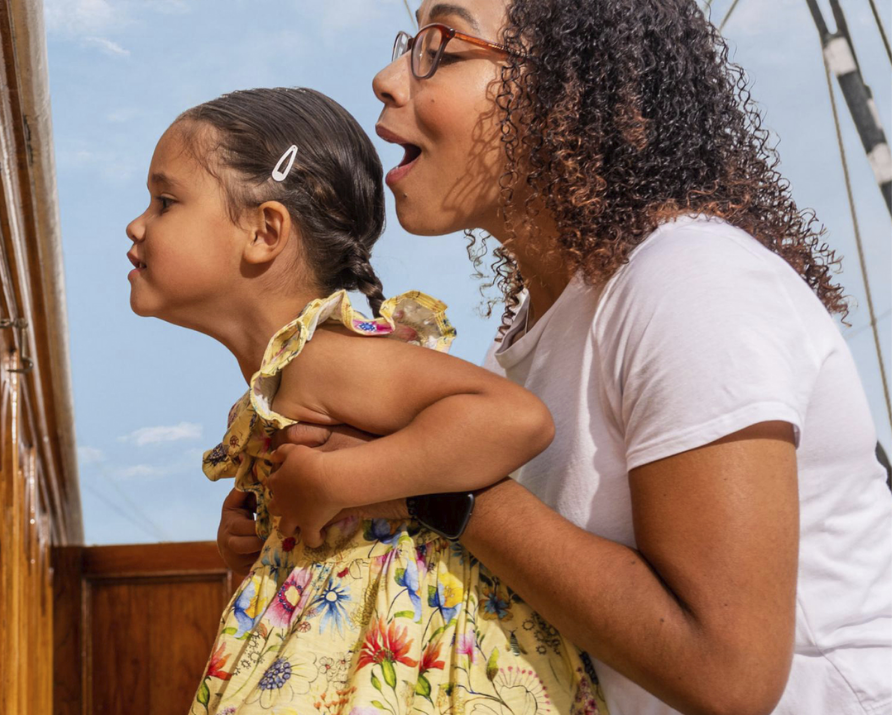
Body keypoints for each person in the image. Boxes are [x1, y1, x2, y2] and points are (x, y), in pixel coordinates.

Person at [216, 2, 892, 714]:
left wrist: (430, 484)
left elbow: (728, 676)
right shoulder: (524, 335)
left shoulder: (691, 281)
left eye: (440, 47)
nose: (387, 79)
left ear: (565, 91)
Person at [128, 87, 608, 714]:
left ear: (265, 231)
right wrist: (261, 538)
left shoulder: (323, 357)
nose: (138, 223)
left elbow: (514, 419)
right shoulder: (283, 379)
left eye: (166, 201)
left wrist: (333, 477)